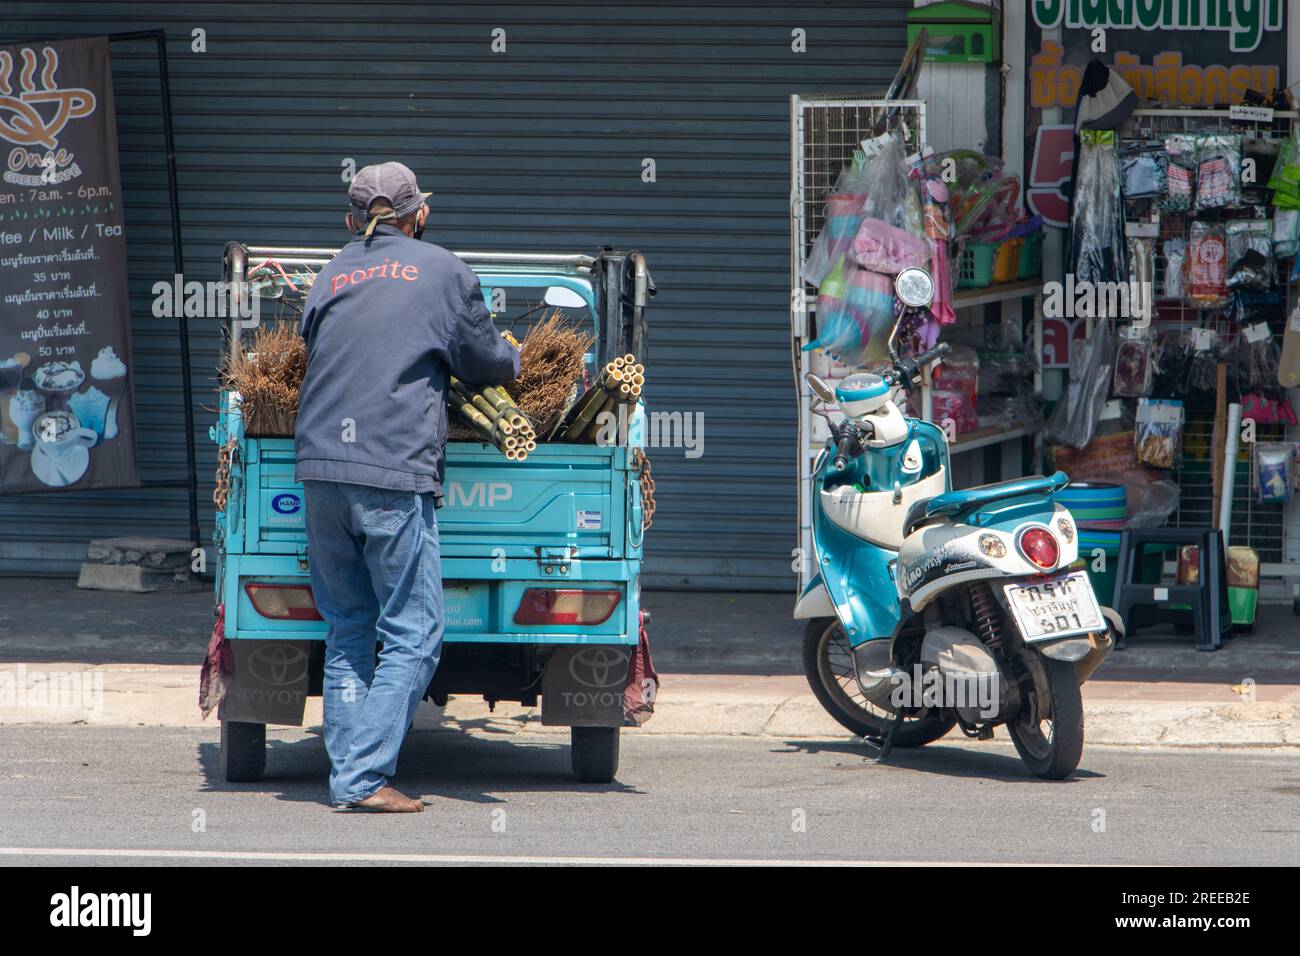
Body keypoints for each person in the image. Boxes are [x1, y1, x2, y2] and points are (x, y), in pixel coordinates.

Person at [295, 162, 519, 812]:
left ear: (350, 220)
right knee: (416, 630)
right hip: (391, 472)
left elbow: (321, 347)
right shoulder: (445, 270)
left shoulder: (334, 269)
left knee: (348, 629)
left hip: (319, 470)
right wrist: (515, 358)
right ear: (420, 215)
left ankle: (351, 775)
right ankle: (363, 780)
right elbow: (484, 361)